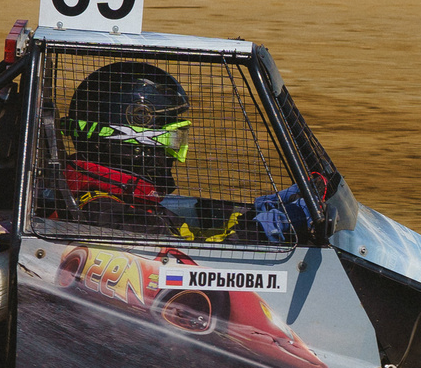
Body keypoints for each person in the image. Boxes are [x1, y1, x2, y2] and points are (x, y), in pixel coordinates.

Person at [54, 61, 288, 244]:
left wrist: (256, 212)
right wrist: (259, 231)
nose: (174, 153)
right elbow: (194, 266)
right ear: (131, 143)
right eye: (172, 138)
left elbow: (191, 236)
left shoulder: (124, 200)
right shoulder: (109, 212)